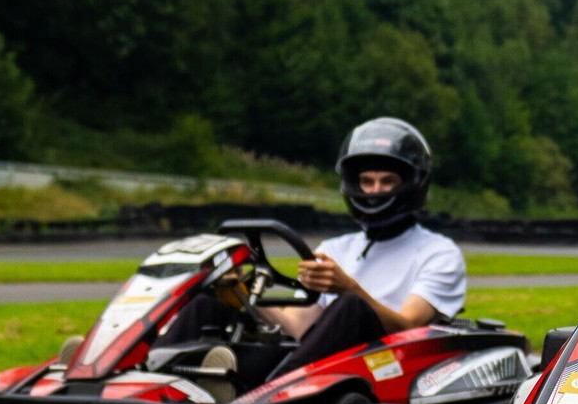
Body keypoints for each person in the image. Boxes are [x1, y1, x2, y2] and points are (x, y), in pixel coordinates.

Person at [164, 116, 467, 388]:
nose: (375, 191)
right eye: (367, 181)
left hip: (390, 368)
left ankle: (263, 394)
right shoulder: (336, 249)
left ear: (412, 185)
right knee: (208, 304)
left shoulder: (439, 253)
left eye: (387, 182)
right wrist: (239, 293)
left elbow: (409, 325)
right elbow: (301, 326)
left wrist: (348, 287)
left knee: (351, 307)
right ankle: (152, 384)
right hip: (320, 362)